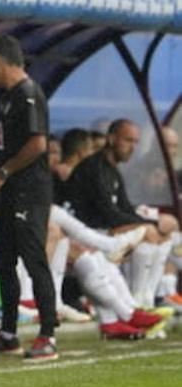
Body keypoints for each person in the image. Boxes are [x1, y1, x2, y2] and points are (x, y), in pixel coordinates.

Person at [0, 35, 58, 361]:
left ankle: (47, 333)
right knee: (2, 258)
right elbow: (2, 149)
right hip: (9, 191)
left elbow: (37, 144)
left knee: (34, 259)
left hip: (29, 191)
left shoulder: (29, 94)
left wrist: (3, 173)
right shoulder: (5, 99)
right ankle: (8, 332)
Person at [64, 119, 179, 309]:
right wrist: (151, 224)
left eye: (135, 142)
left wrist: (154, 221)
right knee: (150, 232)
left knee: (164, 235)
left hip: (105, 230)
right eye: (128, 140)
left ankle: (149, 298)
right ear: (111, 139)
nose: (132, 147)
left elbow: (125, 208)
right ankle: (137, 301)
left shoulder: (113, 169)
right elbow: (109, 214)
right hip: (87, 233)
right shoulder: (94, 168)